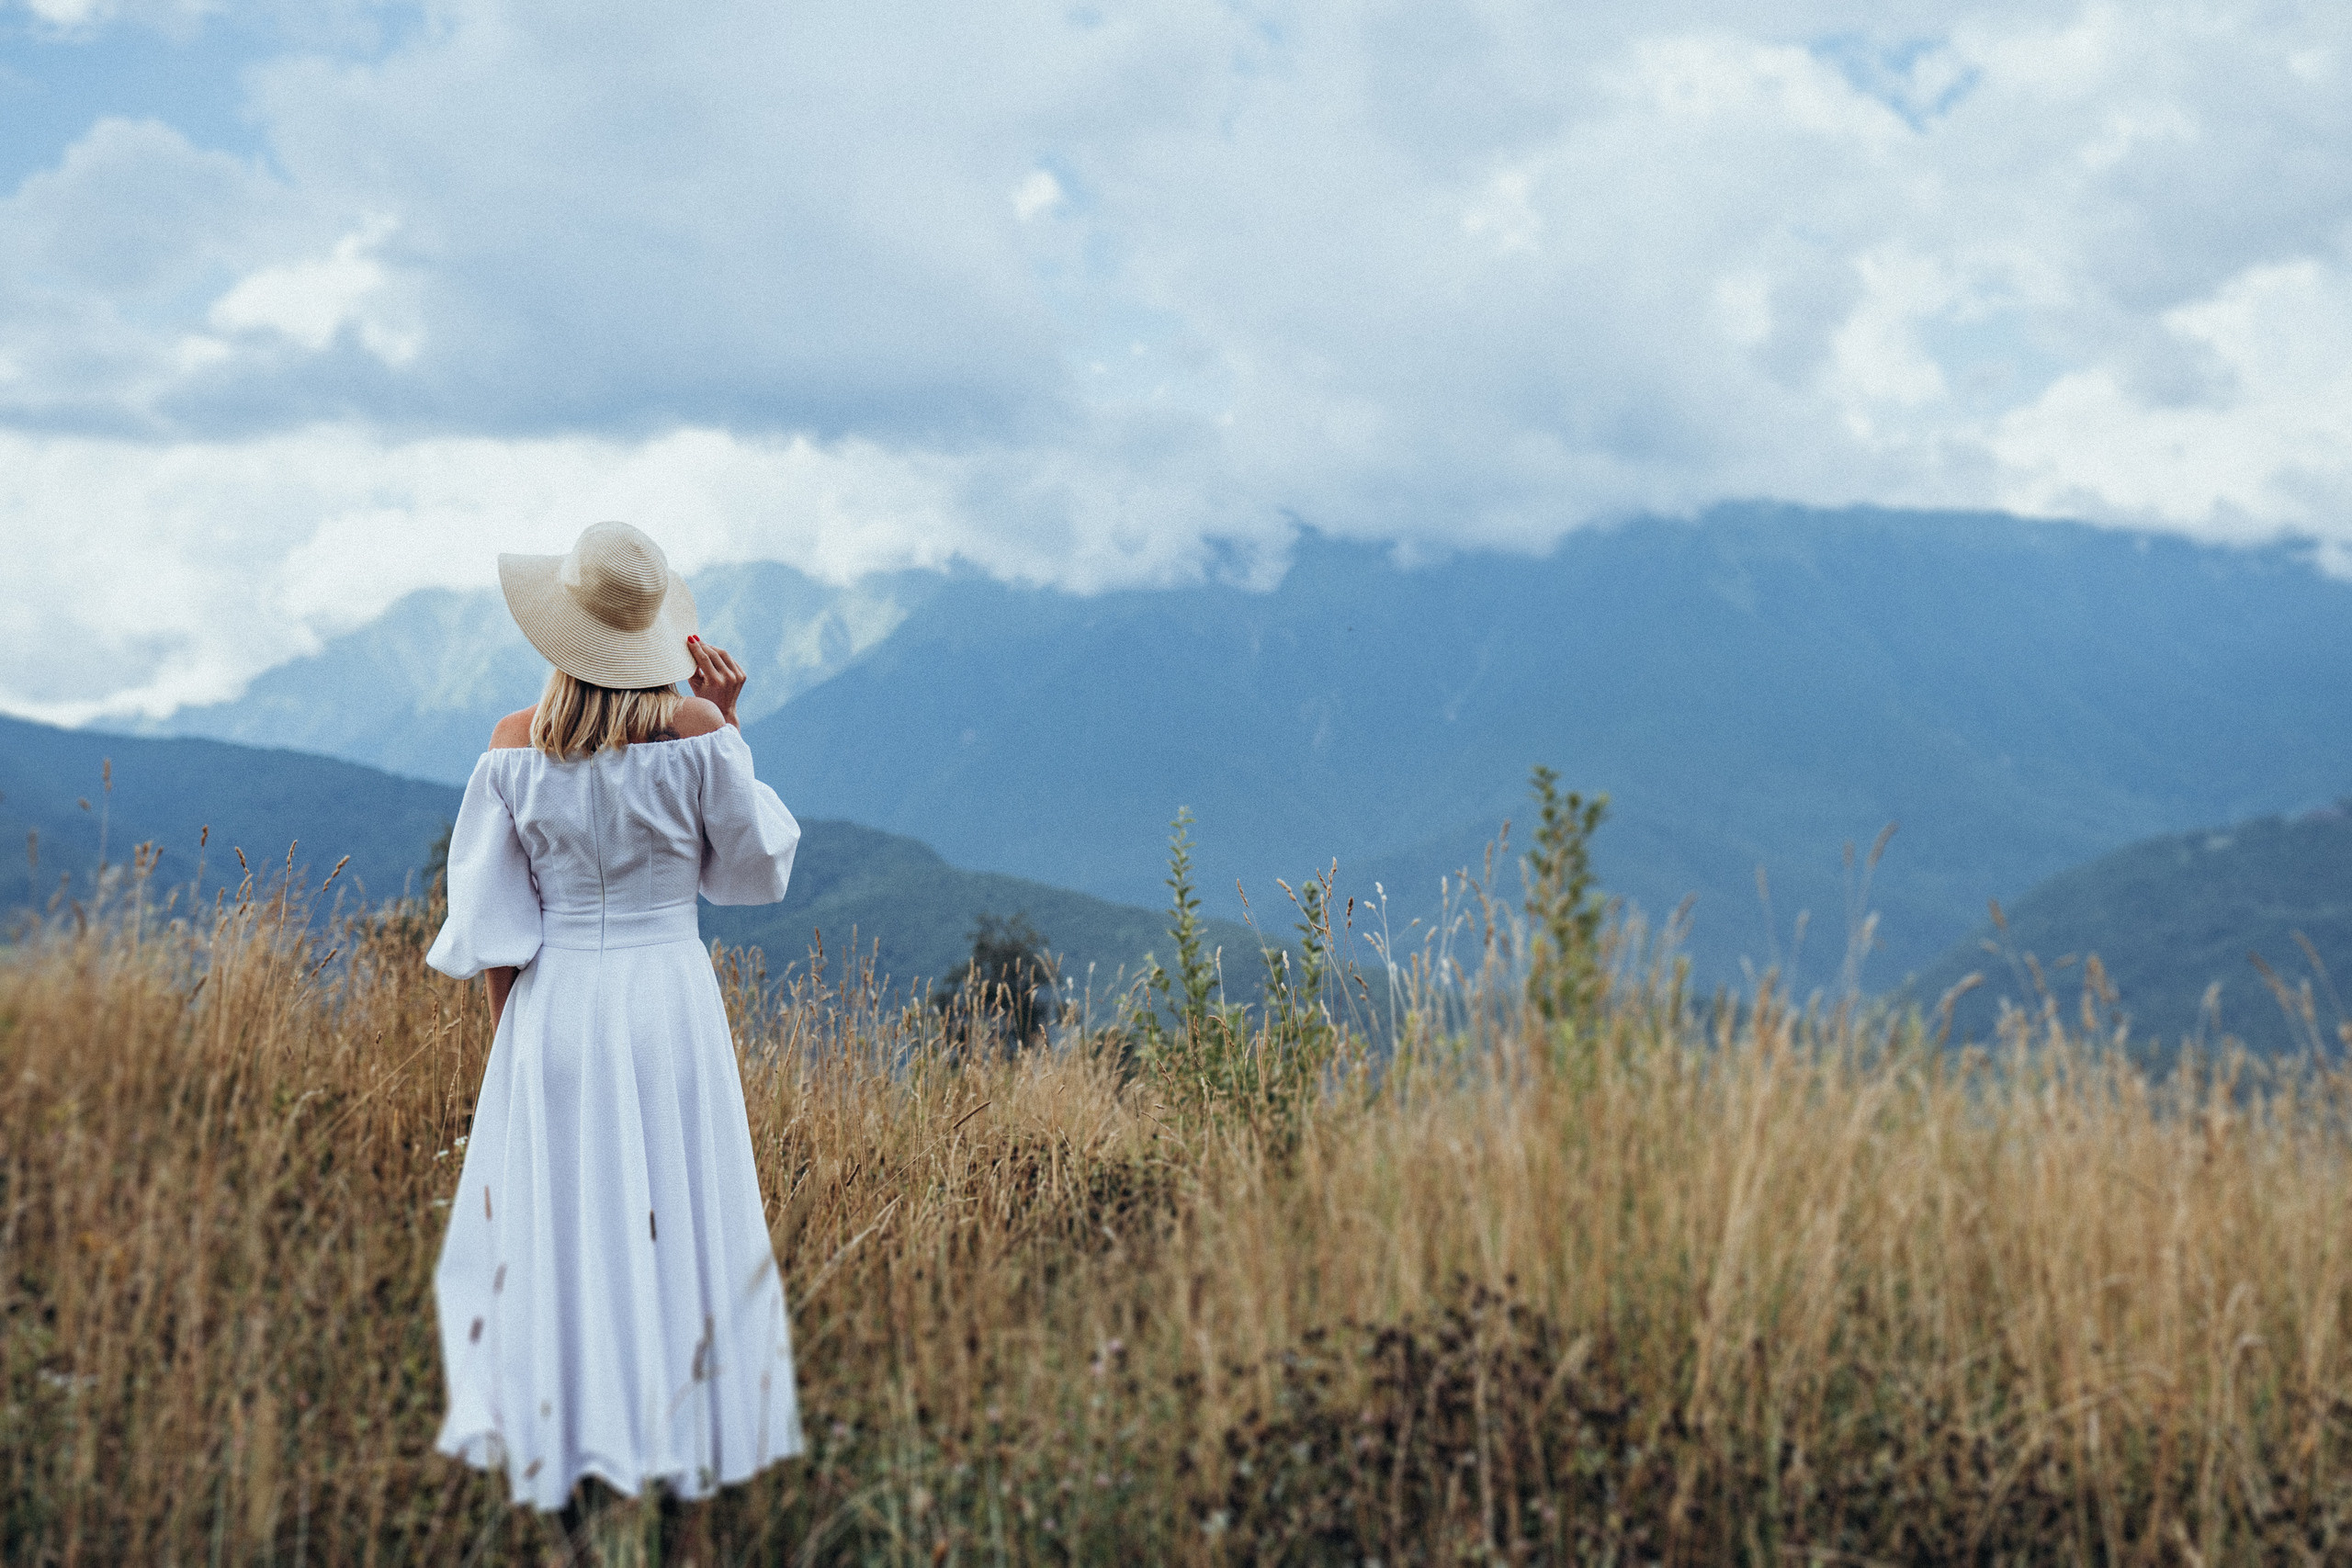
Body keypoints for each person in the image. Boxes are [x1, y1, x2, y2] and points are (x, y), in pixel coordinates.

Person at [424, 520, 804, 1512]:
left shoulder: (510, 749)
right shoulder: (697, 738)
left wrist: (515, 1048)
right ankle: (684, 1471)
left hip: (554, 1011)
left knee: (557, 1233)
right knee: (683, 1222)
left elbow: (495, 932)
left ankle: (571, 1470)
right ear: (652, 634)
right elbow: (753, 873)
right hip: (667, 1005)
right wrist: (727, 727)